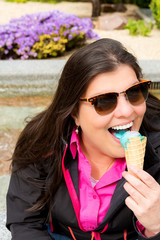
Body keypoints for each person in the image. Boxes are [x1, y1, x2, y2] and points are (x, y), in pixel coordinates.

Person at [6, 38, 160, 240]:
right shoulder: (41, 141)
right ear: (74, 112)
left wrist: (156, 227)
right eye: (104, 101)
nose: (127, 111)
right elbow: (25, 223)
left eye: (134, 92)